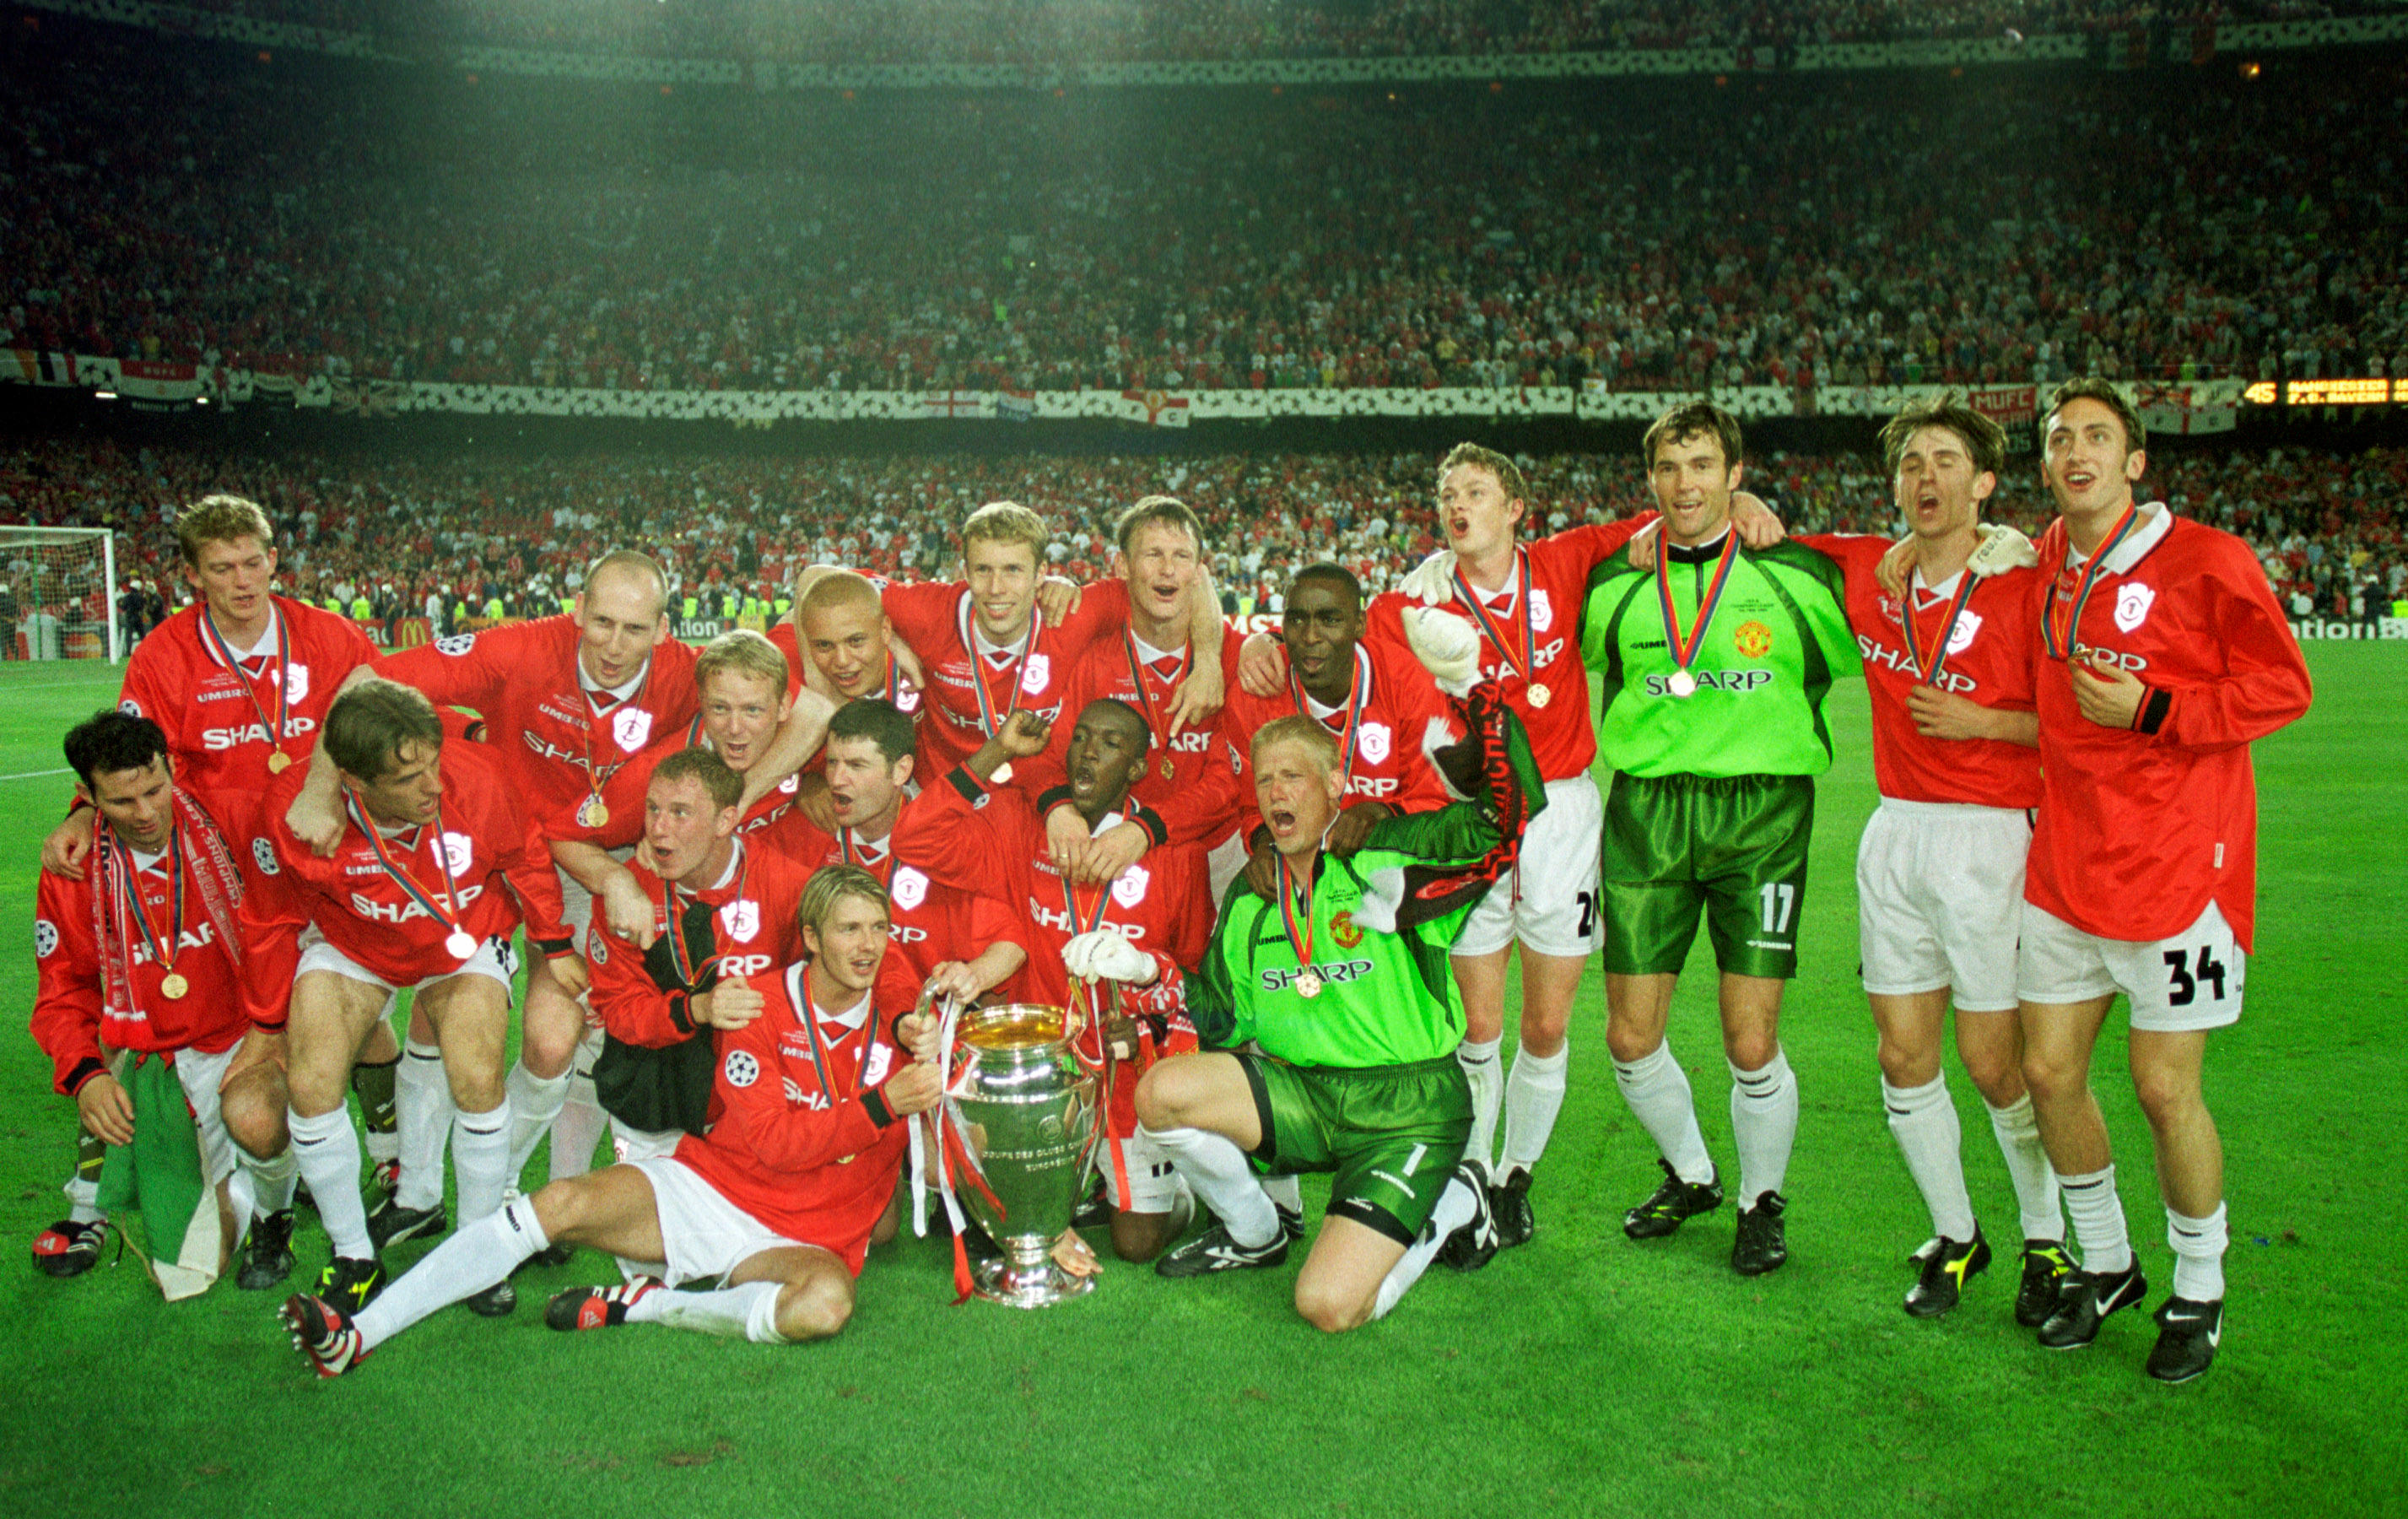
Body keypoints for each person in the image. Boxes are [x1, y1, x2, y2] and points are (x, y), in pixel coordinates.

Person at [1237, 445, 1778, 1244]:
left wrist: (1748, 504)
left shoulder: (1564, 562)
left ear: (1515, 508)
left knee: (1547, 1028)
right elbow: (1321, 625)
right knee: (1477, 1026)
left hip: (1562, 813)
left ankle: (1515, 1172)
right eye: (1448, 493)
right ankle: (1473, 1178)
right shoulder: (1412, 603)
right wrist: (1253, 636)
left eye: (1477, 492)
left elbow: (1676, 514)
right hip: (1471, 821)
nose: (1459, 506)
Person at [281, 866, 940, 1376]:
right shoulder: (756, 1004)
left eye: (879, 929)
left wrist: (924, 1044)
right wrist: (885, 1105)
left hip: (809, 1235)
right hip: (719, 1189)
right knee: (558, 1202)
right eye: (850, 930)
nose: (868, 946)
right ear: (814, 937)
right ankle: (359, 1334)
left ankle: (652, 1305)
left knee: (825, 1307)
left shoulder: (905, 1014)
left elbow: (915, 997)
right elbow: (774, 1143)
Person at [2013, 380, 2311, 1381]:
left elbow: (2284, 685)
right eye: (2060, 439)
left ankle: (2200, 1285)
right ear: (2046, 464)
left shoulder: (2207, 559)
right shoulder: (2043, 555)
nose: (2076, 451)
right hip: (2064, 865)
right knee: (2048, 1074)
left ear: (2135, 462)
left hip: (2182, 866)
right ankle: (2105, 1263)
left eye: (2097, 436)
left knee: (2160, 1087)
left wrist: (2155, 706)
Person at [1131, 609, 1530, 1332]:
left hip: (1405, 1109)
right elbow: (1218, 1022)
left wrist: (1477, 691)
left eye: (1294, 777)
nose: (1277, 793)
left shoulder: (1393, 859)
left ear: (1334, 783)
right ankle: (1257, 1233)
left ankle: (1455, 1205)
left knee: (1328, 1306)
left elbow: (1503, 819)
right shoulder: (1253, 897)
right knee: (1162, 1093)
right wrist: (1143, 971)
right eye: (1265, 781)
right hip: (1307, 1100)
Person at [38, 495, 398, 1277]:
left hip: (326, 855)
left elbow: (378, 717)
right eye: (222, 568)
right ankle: (95, 1199)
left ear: (275, 558)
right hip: (220, 870)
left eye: (253, 561)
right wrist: (80, 812)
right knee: (153, 997)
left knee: (356, 1017)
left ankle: (392, 1153)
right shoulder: (166, 654)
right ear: (192, 576)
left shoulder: (330, 635)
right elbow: (132, 758)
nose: (242, 580)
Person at [1781, 396, 2069, 1322]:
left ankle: (2046, 1240)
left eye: (1945, 461)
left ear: (1984, 485)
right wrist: (1750, 514)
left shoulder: (2027, 585)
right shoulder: (1870, 568)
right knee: (1903, 1054)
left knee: (1994, 1063)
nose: (1925, 479)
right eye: (1910, 463)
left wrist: (1987, 721)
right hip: (1896, 830)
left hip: (1990, 835)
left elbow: (2075, 724)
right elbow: (1769, 536)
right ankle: (1956, 1234)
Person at [1576, 402, 1856, 1277]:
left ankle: (1760, 1201)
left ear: (1735, 474)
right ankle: (1694, 1175)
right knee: (1628, 1036)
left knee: (1749, 1038)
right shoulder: (1614, 585)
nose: (1683, 484)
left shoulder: (1798, 576)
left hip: (1761, 816)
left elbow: (1899, 569)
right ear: (1650, 480)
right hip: (1648, 812)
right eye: (1667, 468)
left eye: (1701, 465)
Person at [250, 678, 580, 1316]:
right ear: (352, 782)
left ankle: (476, 1252)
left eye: (432, 763)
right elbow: (268, 916)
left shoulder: (475, 777)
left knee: (477, 1076)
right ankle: (354, 1254)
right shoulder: (296, 811)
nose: (432, 784)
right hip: (355, 943)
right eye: (407, 778)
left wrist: (556, 946)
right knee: (312, 1082)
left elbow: (525, 859)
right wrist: (267, 1024)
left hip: (460, 935)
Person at [899, 700, 1212, 1263]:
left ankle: (1179, 1193)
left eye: (1111, 743)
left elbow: (1188, 974)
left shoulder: (1175, 853)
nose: (1089, 751)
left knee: (1136, 1244)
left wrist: (1144, 1020)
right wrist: (998, 750)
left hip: (1125, 1076)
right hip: (1042, 1074)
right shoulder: (1022, 823)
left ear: (1138, 768)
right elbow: (916, 839)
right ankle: (1078, 1182)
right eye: (1082, 738)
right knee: (989, 1216)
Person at [30, 710, 300, 1291]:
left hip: (247, 1035)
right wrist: (87, 1078)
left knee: (255, 1119)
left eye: (155, 789)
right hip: (159, 1062)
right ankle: (103, 1199)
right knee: (191, 1273)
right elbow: (62, 993)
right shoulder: (74, 870)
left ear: (172, 769)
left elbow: (286, 927)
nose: (147, 812)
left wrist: (271, 1029)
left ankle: (277, 1212)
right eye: (123, 803)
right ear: (91, 800)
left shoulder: (230, 819)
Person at [866, 500, 1225, 781]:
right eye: (983, 570)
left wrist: (1209, 660)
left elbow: (1190, 581)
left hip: (1029, 802)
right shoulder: (930, 611)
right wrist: (890, 638)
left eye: (1013, 570)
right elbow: (820, 583)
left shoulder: (1072, 614)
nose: (996, 589)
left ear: (1041, 574)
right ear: (964, 571)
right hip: (944, 793)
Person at [582, 747, 814, 1161]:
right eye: (652, 809)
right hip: (654, 1088)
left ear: (725, 820)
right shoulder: (627, 893)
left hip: (751, 1089)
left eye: (680, 813)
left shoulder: (787, 885)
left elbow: (811, 996)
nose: (658, 828)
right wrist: (697, 1009)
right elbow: (618, 1009)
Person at [780, 699, 1028, 1001]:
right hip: (831, 1030)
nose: (836, 780)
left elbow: (1010, 941)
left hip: (920, 1030)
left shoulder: (940, 846)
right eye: (832, 763)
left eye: (857, 765)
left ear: (901, 771)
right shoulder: (801, 840)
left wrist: (974, 975)